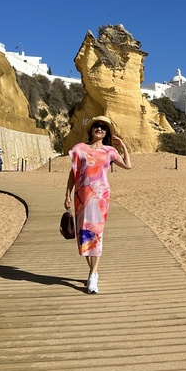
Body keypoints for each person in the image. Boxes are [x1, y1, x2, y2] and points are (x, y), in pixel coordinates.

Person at [64, 116, 131, 294]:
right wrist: (67, 194)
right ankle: (93, 272)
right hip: (81, 198)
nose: (100, 129)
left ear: (106, 132)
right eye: (97, 126)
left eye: (103, 127)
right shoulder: (80, 148)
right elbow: (73, 173)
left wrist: (122, 146)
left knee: (96, 235)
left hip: (100, 198)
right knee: (84, 236)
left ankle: (93, 276)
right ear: (92, 129)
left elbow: (128, 166)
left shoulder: (109, 151)